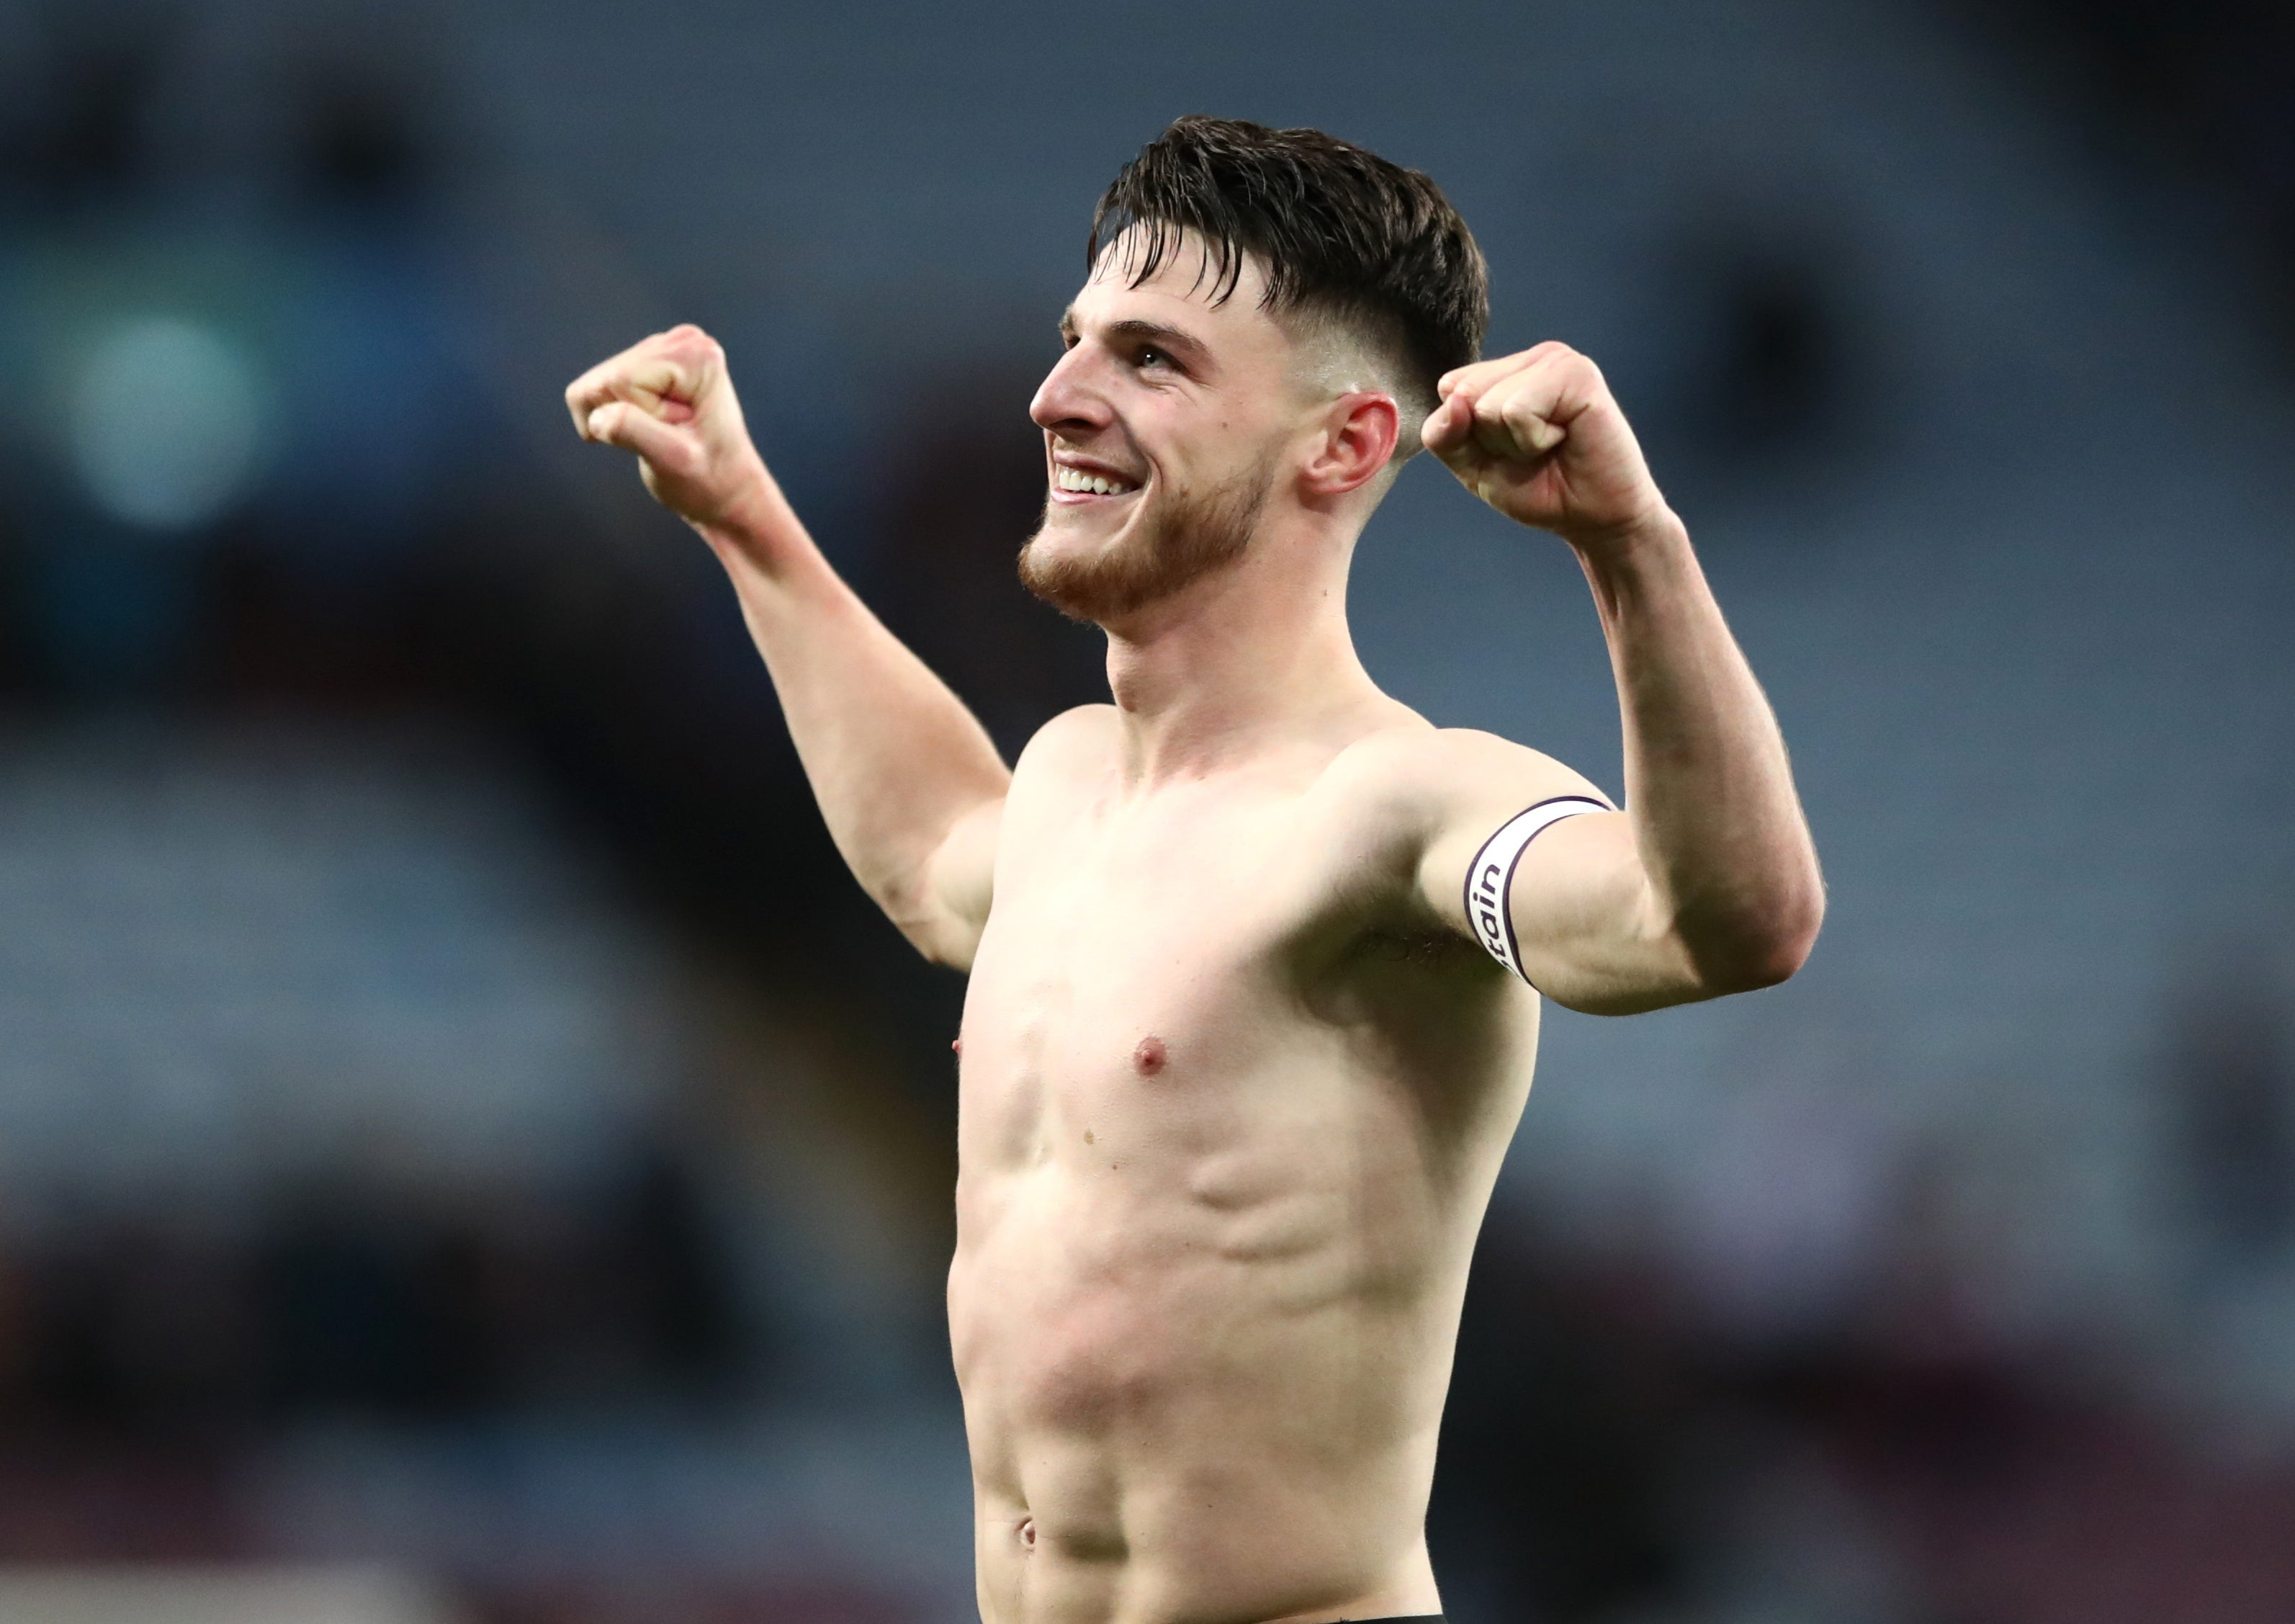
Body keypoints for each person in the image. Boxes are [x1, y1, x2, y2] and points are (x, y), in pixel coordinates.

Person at [565, 116, 1823, 1624]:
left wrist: (1631, 545)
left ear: (1343, 442)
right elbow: (931, 858)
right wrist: (747, 519)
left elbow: (1720, 925)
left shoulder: (1397, 805)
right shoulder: (1070, 785)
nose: (1056, 397)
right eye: (1074, 341)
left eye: (1148, 361)